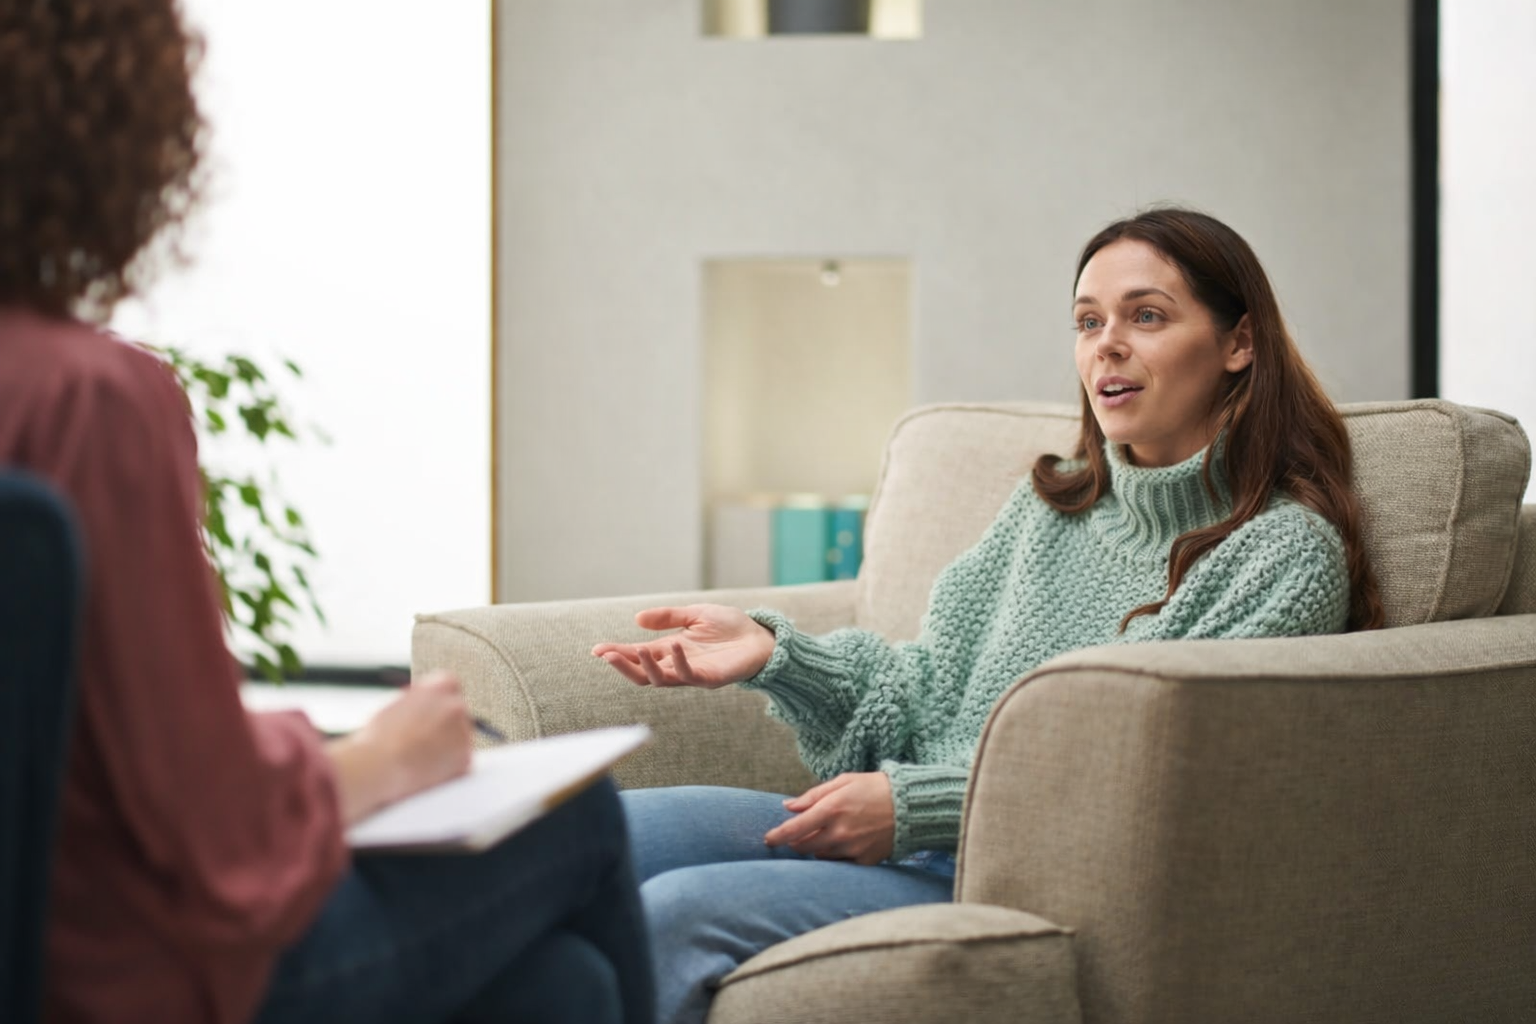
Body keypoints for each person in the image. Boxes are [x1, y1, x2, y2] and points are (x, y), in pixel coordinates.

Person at [0, 3, 653, 1022]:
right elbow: (213, 825)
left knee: (565, 990)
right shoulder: (85, 399)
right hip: (118, 975)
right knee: (574, 808)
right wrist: (381, 758)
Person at [593, 206, 1385, 1023]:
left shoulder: (1283, 555)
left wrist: (917, 807)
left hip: (1005, 875)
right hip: (907, 833)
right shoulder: (1055, 505)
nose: (1105, 344)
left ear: (1238, 343)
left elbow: (1151, 782)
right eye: (1088, 321)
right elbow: (927, 687)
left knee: (676, 910)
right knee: (590, 831)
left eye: (1146, 316)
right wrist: (776, 654)